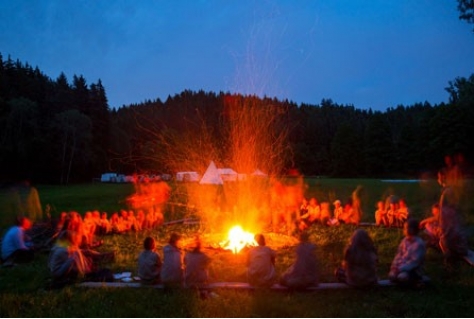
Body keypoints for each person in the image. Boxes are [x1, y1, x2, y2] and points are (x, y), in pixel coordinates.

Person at [388, 219, 426, 286]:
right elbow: (399, 254)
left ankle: (416, 281)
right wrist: (395, 265)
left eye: (405, 228)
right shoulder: (404, 240)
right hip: (401, 266)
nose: (404, 230)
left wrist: (400, 269)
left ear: (412, 229)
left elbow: (414, 262)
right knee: (391, 276)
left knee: (402, 277)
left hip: (413, 269)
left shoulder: (419, 244)